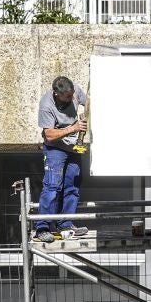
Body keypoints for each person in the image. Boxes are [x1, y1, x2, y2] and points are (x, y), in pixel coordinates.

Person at [35, 75, 88, 243]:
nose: (72, 98)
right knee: (52, 187)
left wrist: (86, 114)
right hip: (55, 148)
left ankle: (65, 223)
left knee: (72, 186)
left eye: (73, 94)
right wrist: (73, 128)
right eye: (68, 96)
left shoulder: (75, 91)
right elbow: (49, 135)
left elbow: (91, 103)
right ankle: (42, 228)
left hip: (73, 148)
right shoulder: (46, 105)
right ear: (57, 94)